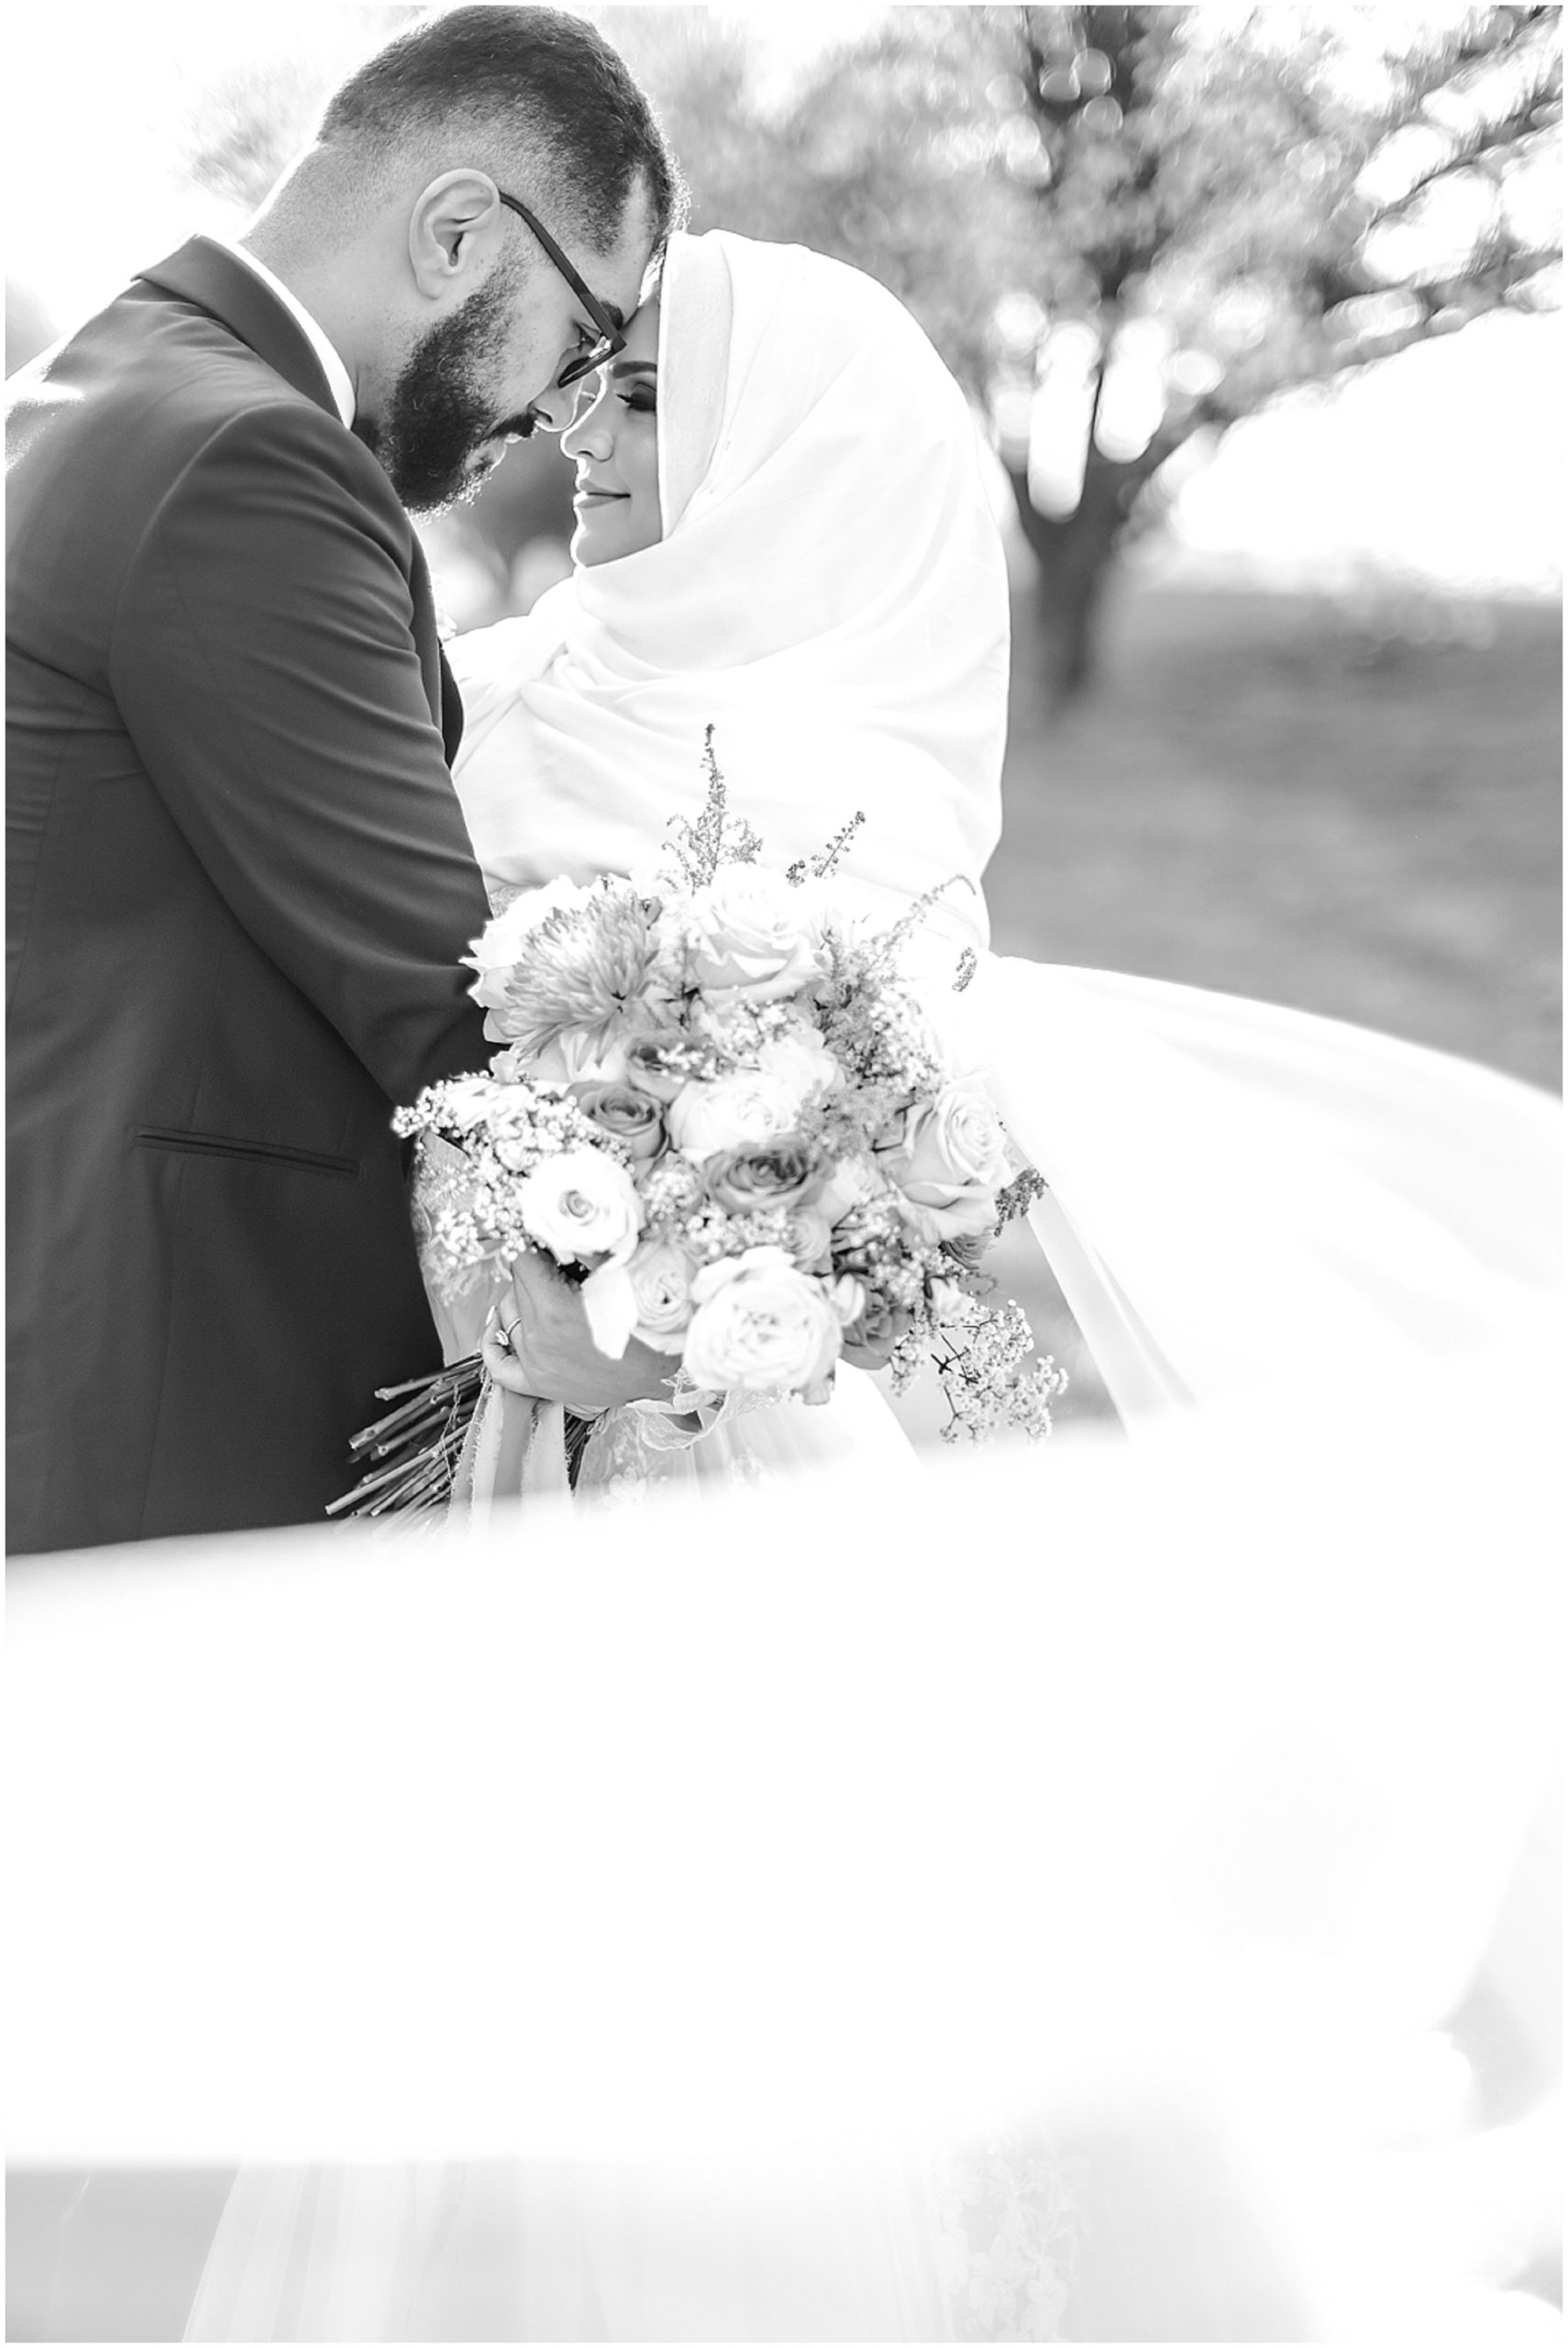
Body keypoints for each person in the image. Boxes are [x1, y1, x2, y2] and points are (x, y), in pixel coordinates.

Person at [437, 227, 1559, 1497]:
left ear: (780, 457)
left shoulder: (852, 791)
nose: (580, 436)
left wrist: (645, 1360)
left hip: (671, 1464)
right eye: (590, 390)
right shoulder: (496, 678)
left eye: (639, 399)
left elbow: (843, 1207)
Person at [5, 6, 684, 1556]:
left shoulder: (94, 389)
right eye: (578, 343)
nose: (556, 416)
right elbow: (444, 998)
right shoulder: (246, 462)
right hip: (197, 1391)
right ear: (458, 232)